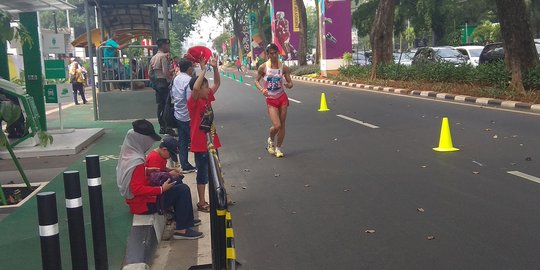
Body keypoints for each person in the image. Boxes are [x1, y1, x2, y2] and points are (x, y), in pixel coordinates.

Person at [116, 119, 203, 240]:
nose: (150, 144)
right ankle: (181, 230)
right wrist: (161, 189)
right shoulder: (137, 160)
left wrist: (147, 171)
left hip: (138, 201)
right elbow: (136, 189)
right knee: (182, 190)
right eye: (148, 140)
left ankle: (184, 220)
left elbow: (129, 175)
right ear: (141, 140)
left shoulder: (128, 154)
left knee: (178, 185)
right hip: (143, 204)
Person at [188, 57, 220, 212]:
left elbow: (217, 84)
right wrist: (202, 71)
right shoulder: (193, 102)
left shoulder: (207, 99)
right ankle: (201, 202)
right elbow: (195, 89)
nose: (209, 90)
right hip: (200, 143)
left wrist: (214, 68)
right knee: (202, 172)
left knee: (216, 169)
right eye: (205, 87)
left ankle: (219, 195)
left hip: (212, 141)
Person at [255, 43, 294, 158]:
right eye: (271, 53)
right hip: (271, 99)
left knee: (282, 125)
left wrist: (289, 85)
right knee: (276, 125)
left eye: (275, 53)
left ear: (278, 53)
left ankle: (278, 148)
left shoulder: (283, 67)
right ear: (267, 55)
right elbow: (256, 81)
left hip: (282, 97)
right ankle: (271, 139)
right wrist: (262, 89)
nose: (274, 55)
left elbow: (290, 82)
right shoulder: (263, 67)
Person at [171, 58, 197, 173]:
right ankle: (197, 163)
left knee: (183, 140)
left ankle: (184, 164)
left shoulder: (176, 78)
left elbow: (172, 94)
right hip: (187, 115)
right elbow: (190, 99)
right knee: (194, 139)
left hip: (178, 113)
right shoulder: (188, 80)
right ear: (190, 68)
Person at [149, 38, 176, 136]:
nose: (168, 47)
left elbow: (150, 73)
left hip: (157, 83)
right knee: (167, 105)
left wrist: (154, 83)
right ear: (163, 46)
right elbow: (165, 72)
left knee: (160, 106)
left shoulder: (154, 57)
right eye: (167, 45)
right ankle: (168, 127)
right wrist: (170, 82)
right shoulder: (163, 57)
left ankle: (161, 127)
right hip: (164, 83)